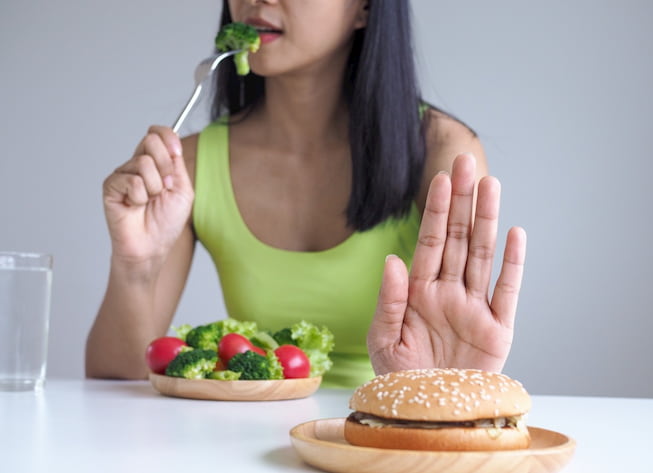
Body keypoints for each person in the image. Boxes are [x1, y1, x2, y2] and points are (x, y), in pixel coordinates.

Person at [86, 0, 526, 388]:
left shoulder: (441, 150)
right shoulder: (190, 164)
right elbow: (114, 382)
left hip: (396, 428)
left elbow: (456, 356)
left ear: (366, 7)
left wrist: (444, 378)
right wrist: (135, 267)